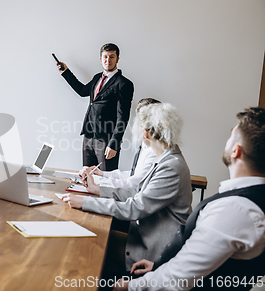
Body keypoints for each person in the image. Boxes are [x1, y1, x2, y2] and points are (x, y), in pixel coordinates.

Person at [114, 107, 265, 291]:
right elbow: (202, 259)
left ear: (236, 151)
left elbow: (177, 278)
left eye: (232, 134)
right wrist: (159, 264)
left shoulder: (236, 209)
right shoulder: (246, 200)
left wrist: (130, 287)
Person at [62, 103, 192, 271]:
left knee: (88, 247)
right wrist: (97, 190)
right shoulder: (166, 158)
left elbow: (135, 208)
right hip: (145, 236)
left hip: (153, 250)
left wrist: (85, 202)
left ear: (145, 133)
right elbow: (137, 192)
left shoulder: (171, 167)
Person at [58, 43, 134, 171]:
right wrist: (65, 72)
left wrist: (114, 144)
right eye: (105, 57)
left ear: (117, 59)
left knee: (105, 181)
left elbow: (123, 117)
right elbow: (82, 91)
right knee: (87, 177)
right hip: (88, 136)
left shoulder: (124, 84)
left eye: (111, 57)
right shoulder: (97, 77)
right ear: (100, 59)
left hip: (106, 140)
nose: (108, 60)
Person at [80, 98, 160, 190]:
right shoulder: (145, 146)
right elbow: (133, 174)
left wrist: (97, 180)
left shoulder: (155, 152)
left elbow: (134, 183)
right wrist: (102, 174)